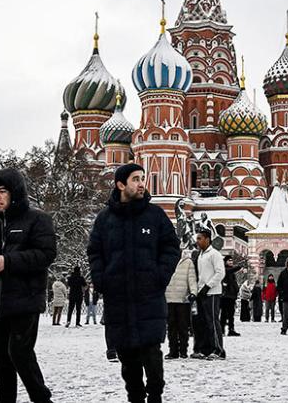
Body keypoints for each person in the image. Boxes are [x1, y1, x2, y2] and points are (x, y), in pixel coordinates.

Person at [86, 163, 181, 402]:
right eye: (135, 179)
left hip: (149, 297)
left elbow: (171, 247)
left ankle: (155, 396)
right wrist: (101, 280)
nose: (141, 184)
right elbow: (94, 252)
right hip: (118, 298)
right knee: (127, 359)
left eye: (142, 178)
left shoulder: (155, 215)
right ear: (121, 184)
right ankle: (135, 398)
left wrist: (160, 275)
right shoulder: (105, 219)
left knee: (152, 354)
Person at [0, 168, 57, 403]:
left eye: (3, 191)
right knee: (1, 360)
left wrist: (8, 262)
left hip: (25, 299)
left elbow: (46, 254)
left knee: (20, 353)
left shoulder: (38, 219)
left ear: (15, 192)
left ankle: (41, 398)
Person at [193, 228, 226, 361]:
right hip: (201, 292)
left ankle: (218, 350)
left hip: (212, 293)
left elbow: (220, 273)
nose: (197, 241)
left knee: (212, 321)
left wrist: (208, 286)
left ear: (207, 239)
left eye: (199, 238)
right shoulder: (200, 255)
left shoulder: (214, 254)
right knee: (202, 322)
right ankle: (205, 349)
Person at [164, 250, 197, 360]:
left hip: (183, 299)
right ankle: (173, 351)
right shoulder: (166, 260)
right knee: (171, 327)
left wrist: (193, 292)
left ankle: (183, 350)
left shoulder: (188, 262)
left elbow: (192, 279)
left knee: (183, 327)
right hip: (168, 298)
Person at [220, 256, 241, 336]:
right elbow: (230, 270)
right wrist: (239, 267)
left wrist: (236, 290)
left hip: (231, 296)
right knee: (224, 313)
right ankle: (221, 330)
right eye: (229, 260)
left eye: (232, 261)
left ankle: (231, 329)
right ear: (225, 262)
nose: (231, 262)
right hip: (225, 296)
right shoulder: (224, 270)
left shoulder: (231, 271)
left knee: (231, 314)